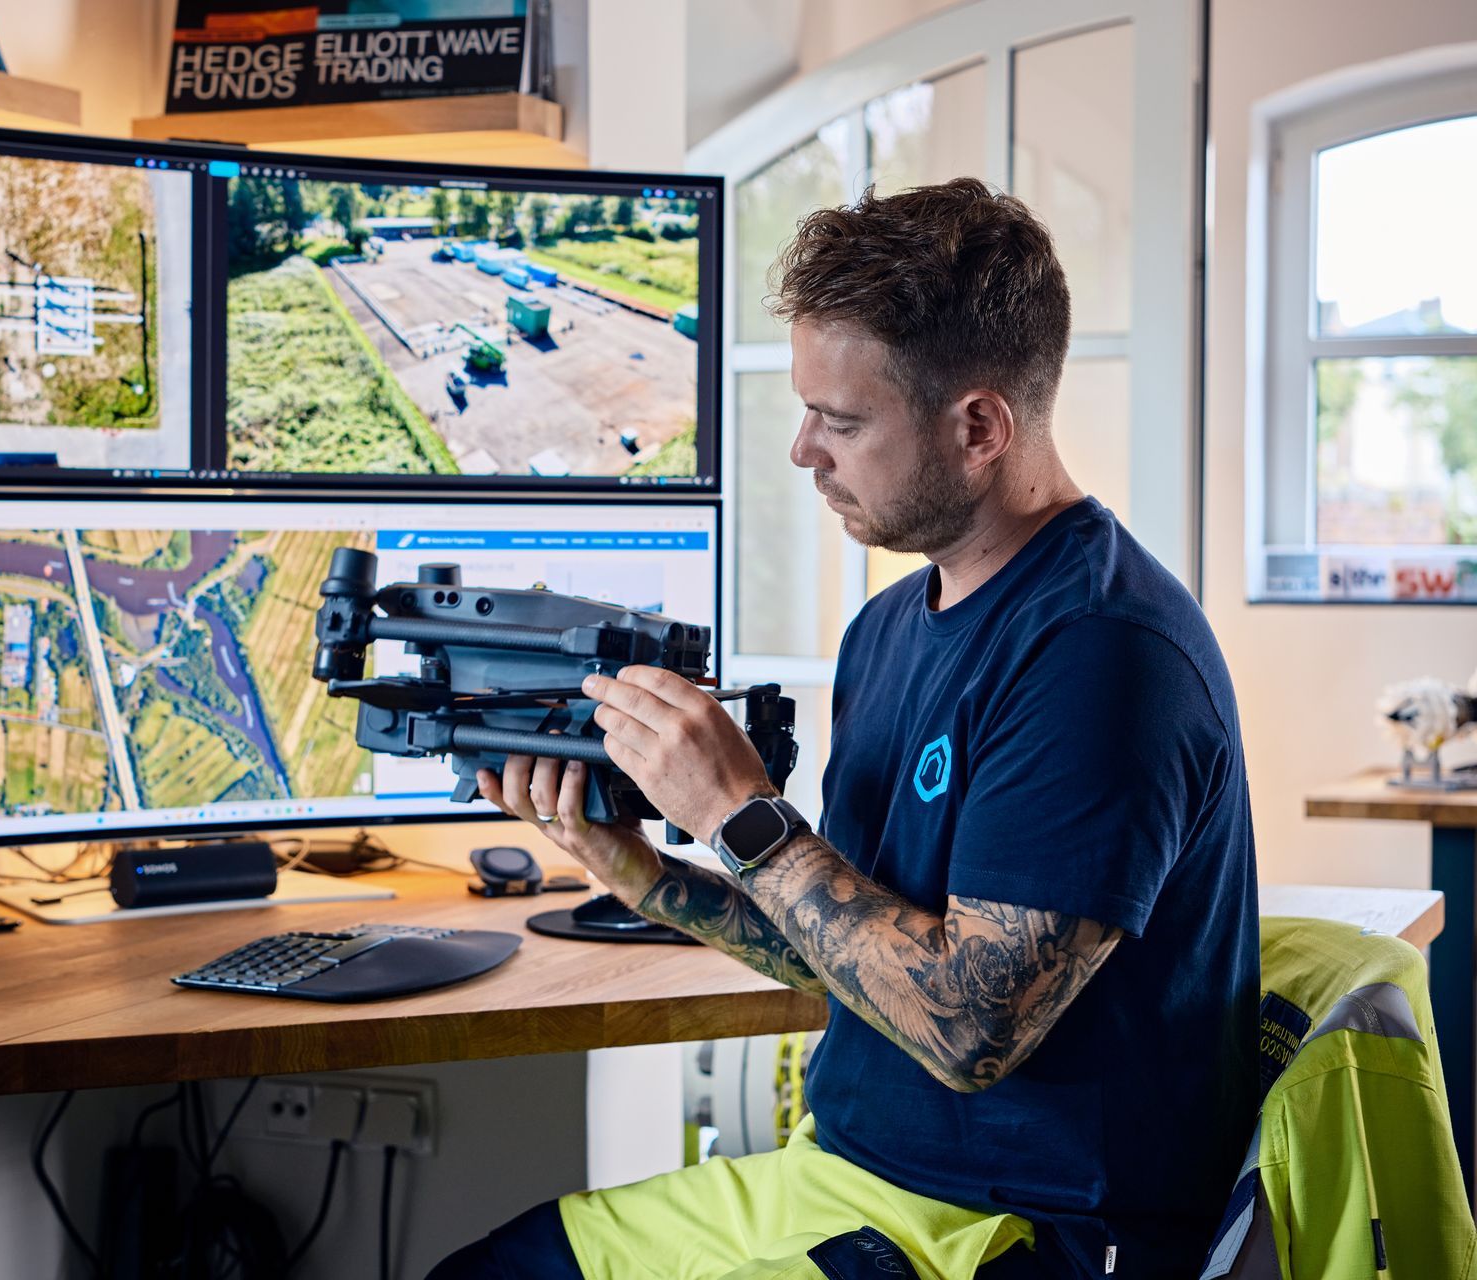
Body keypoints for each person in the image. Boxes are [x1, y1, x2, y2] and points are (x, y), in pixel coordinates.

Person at [427, 179, 1259, 1280]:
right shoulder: (886, 630)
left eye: (843, 420)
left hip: (1032, 1231)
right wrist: (633, 863)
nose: (802, 451)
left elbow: (969, 1029)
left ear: (979, 426)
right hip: (859, 1177)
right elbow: (857, 961)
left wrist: (739, 809)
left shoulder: (1103, 654)